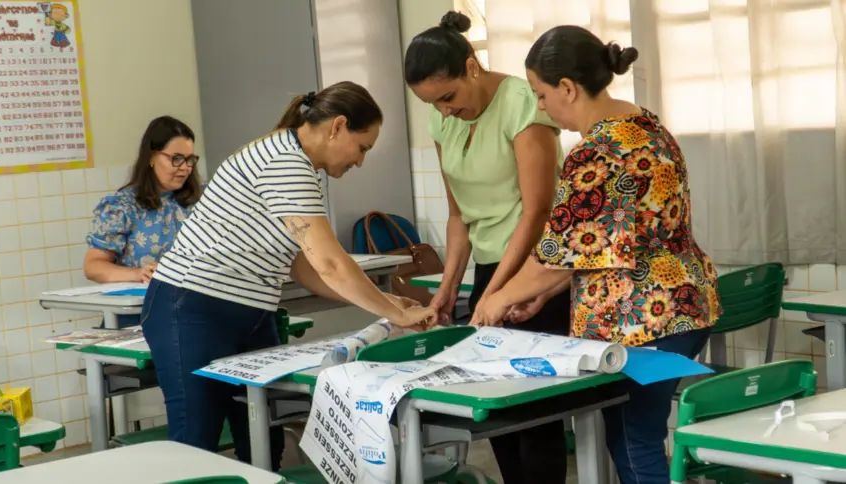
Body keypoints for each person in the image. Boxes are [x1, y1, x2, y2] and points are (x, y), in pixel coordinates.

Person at [141, 81, 437, 469]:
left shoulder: (300, 163)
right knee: (195, 444)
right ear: (338, 126)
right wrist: (397, 315)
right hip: (193, 308)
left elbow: (303, 262)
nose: (360, 161)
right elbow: (329, 263)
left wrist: (387, 302)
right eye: (362, 147)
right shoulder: (285, 161)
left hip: (248, 314)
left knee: (262, 440)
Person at [471, 25, 722, 484]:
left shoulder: (597, 152)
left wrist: (495, 299)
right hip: (686, 305)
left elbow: (556, 255)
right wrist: (542, 294)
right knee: (639, 437)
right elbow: (611, 242)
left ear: (568, 87)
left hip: (644, 319)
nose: (540, 105)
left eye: (540, 94)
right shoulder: (648, 127)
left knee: (633, 441)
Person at [405, 11, 571, 484]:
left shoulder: (522, 102)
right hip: (488, 269)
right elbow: (460, 215)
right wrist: (448, 291)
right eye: (432, 104)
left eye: (449, 97)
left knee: (534, 410)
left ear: (472, 67)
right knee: (493, 405)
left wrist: (498, 293)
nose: (444, 111)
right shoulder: (443, 123)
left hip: (535, 268)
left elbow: (537, 210)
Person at [85, 115, 202, 327]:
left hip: (189, 313)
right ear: (151, 157)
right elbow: (93, 267)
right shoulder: (122, 207)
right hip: (136, 318)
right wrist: (138, 273)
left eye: (190, 159)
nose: (185, 168)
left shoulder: (198, 204)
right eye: (176, 158)